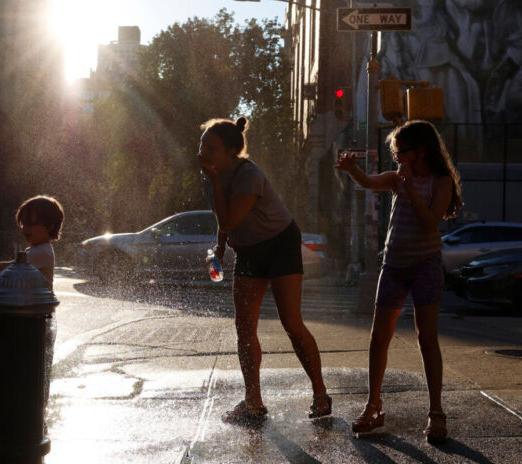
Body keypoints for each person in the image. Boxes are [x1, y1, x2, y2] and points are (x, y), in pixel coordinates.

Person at [334, 120, 463, 444]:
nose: (396, 159)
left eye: (400, 152)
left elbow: (430, 221)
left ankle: (436, 412)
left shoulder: (440, 181)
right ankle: (373, 406)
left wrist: (406, 189)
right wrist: (352, 169)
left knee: (426, 337)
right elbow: (367, 182)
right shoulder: (395, 178)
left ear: (419, 152)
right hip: (393, 265)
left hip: (425, 265)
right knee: (379, 336)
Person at [198, 116, 331, 426]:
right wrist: (220, 248)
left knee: (291, 322)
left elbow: (229, 219)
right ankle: (253, 401)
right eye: (202, 143)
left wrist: (215, 182)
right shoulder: (210, 175)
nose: (203, 151)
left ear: (232, 152)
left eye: (211, 147)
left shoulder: (249, 175)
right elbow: (223, 220)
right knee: (244, 327)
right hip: (248, 250)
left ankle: (321, 395)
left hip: (279, 243)